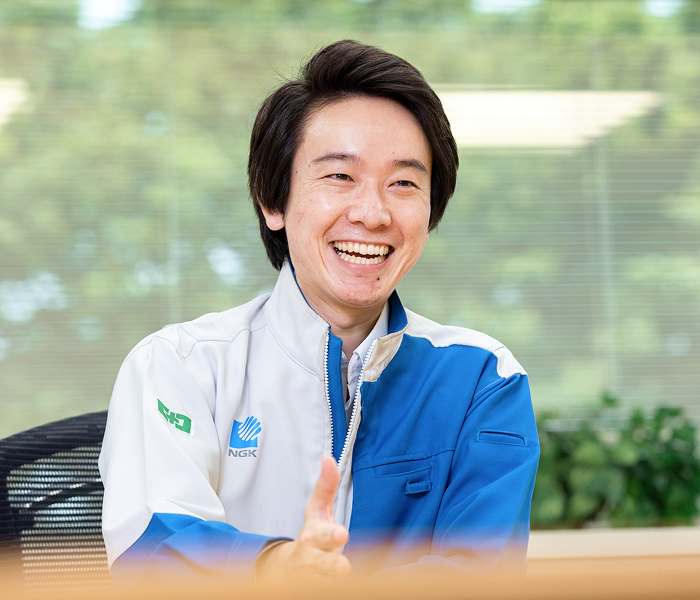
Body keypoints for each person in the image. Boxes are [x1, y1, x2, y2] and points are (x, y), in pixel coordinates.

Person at [99, 39, 539, 585]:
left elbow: (484, 578)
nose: (373, 213)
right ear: (273, 200)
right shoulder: (181, 366)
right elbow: (152, 552)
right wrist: (279, 570)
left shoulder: (483, 380)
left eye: (404, 183)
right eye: (339, 176)